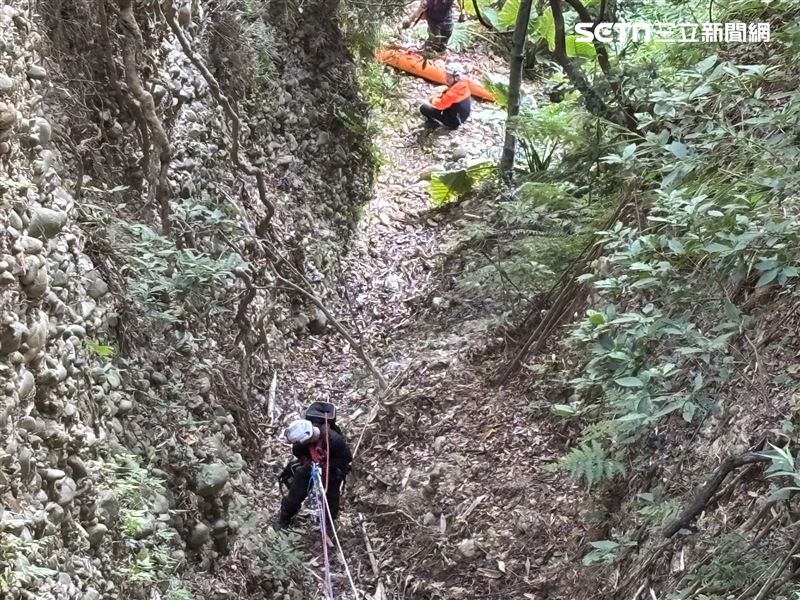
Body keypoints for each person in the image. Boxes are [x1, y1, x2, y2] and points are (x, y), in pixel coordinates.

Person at [273, 418, 353, 532]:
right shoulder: (301, 445)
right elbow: (297, 451)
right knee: (294, 496)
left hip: (331, 469)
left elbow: (346, 458)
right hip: (310, 466)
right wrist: (307, 461)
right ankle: (284, 520)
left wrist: (326, 465)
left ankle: (327, 525)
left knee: (331, 499)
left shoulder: (334, 441)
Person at [419, 63, 471, 130]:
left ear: (456, 77)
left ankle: (436, 122)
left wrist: (432, 99)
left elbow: (440, 105)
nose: (446, 78)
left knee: (424, 108)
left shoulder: (455, 92)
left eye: (448, 76)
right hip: (458, 116)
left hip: (454, 121)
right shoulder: (462, 85)